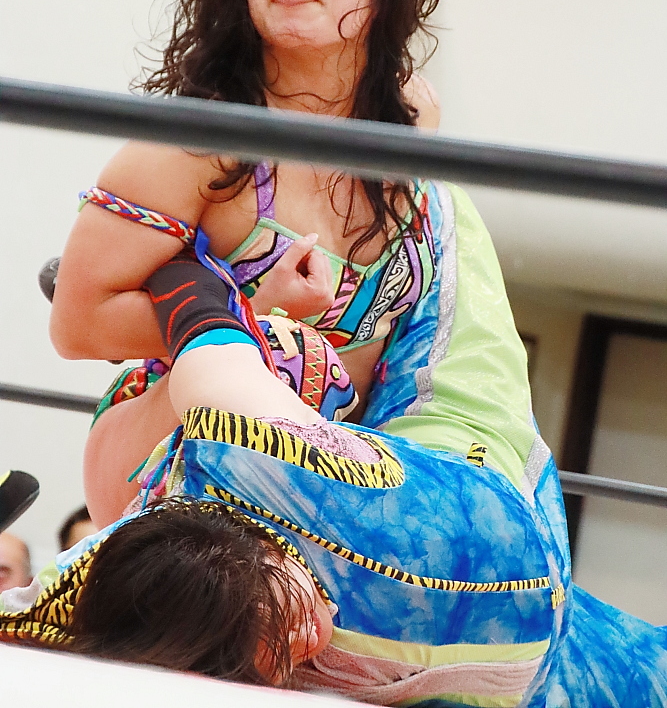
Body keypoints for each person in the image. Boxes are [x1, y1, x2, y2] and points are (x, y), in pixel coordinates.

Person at [3, 220, 666, 707]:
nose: (300, 638)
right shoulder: (130, 597)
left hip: (473, 481)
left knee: (435, 208)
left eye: (275, 621)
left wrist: (161, 290)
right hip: (528, 641)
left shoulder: (255, 458)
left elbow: (203, 323)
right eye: (263, 663)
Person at [47, 0, 446, 527]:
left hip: (336, 478)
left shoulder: (413, 117)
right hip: (167, 456)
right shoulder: (197, 142)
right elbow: (75, 325)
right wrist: (255, 310)